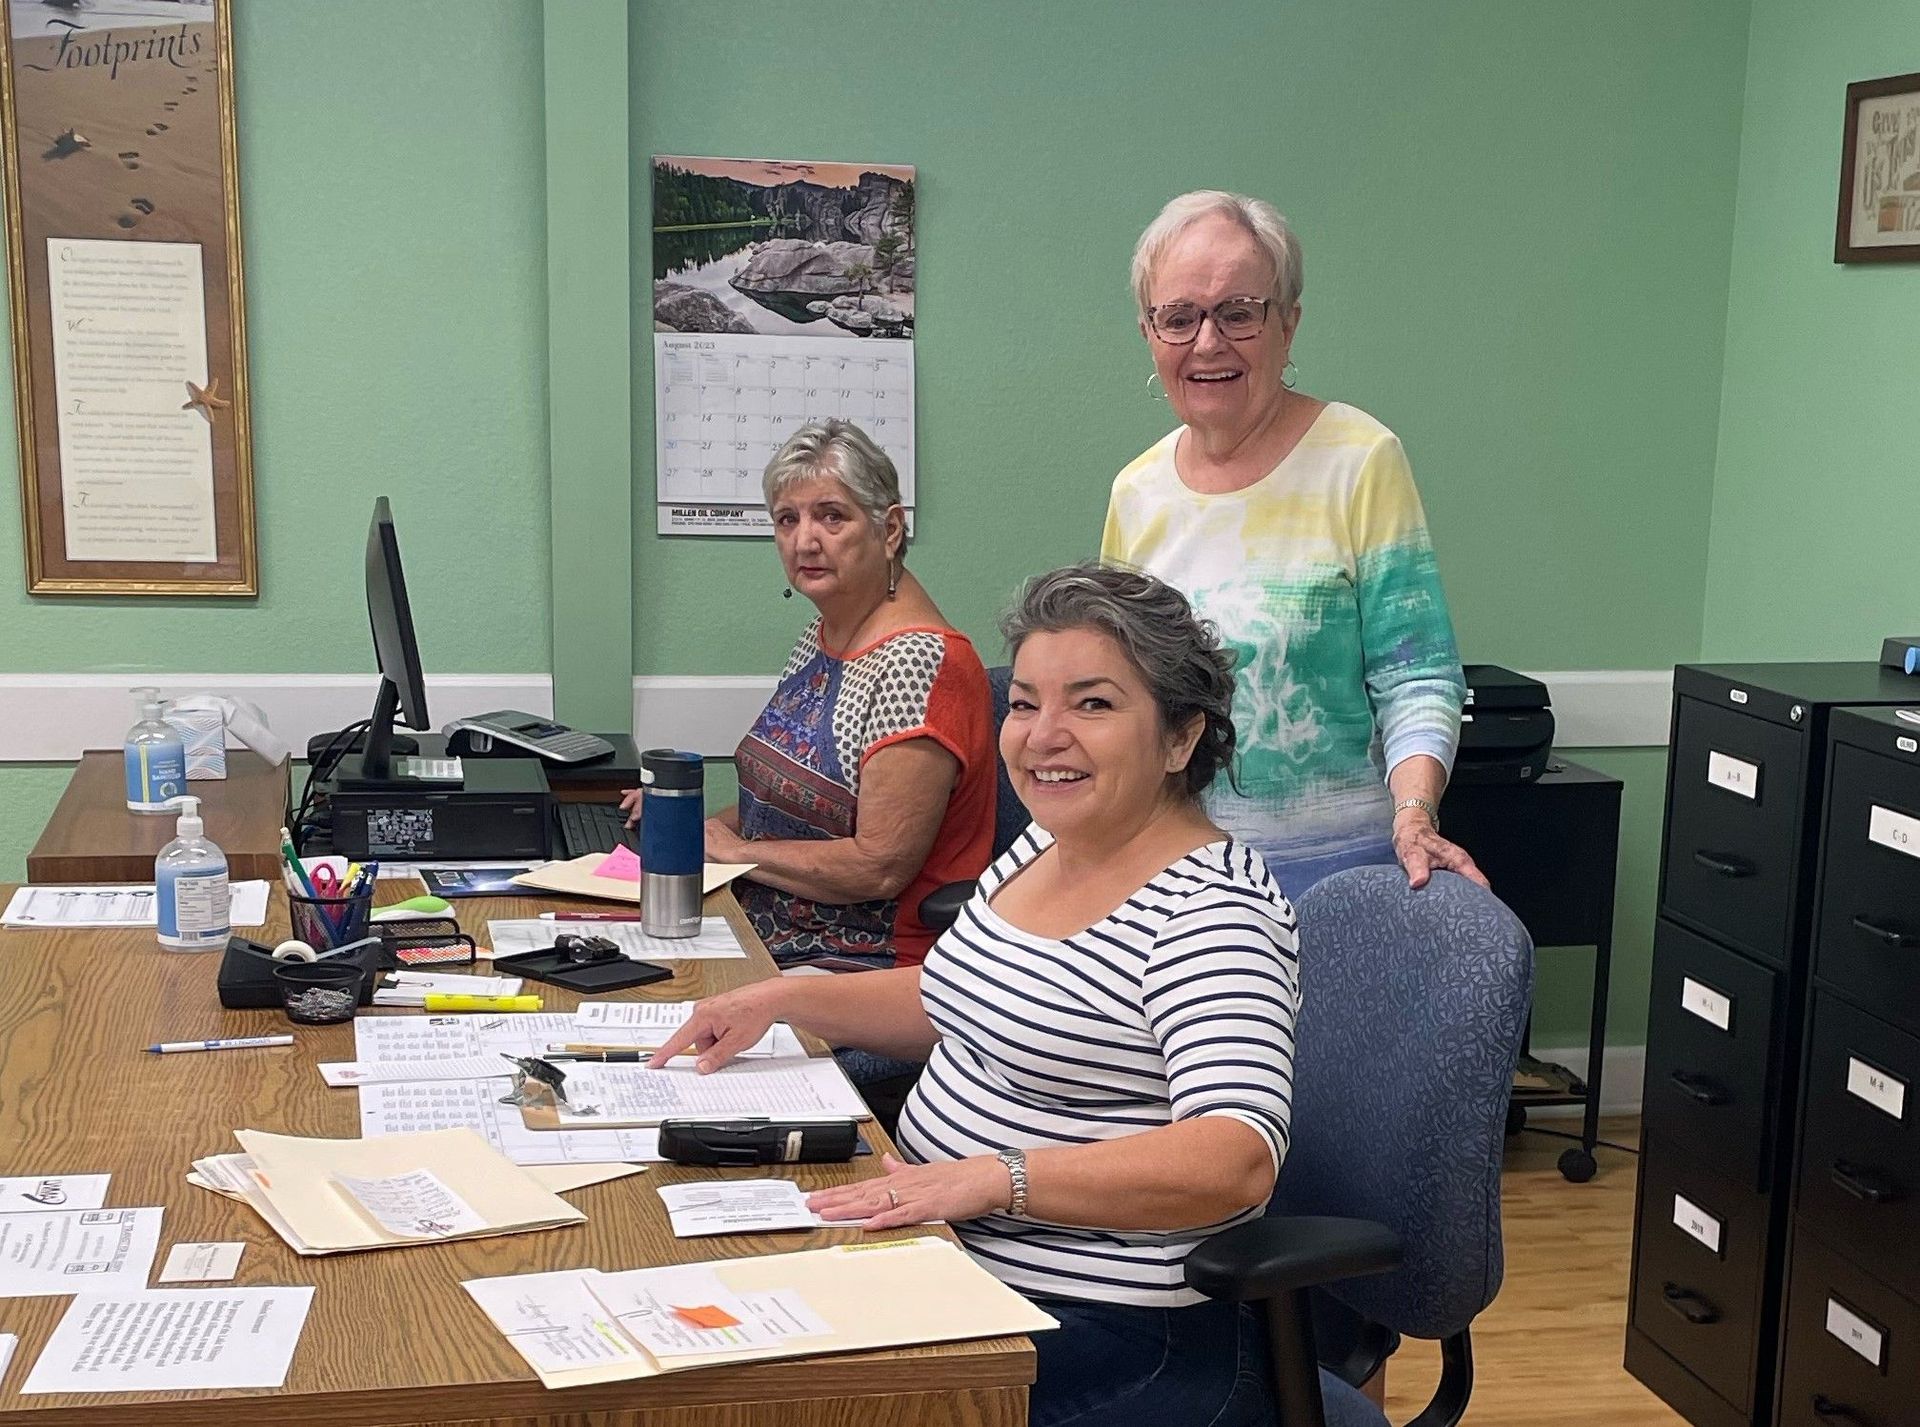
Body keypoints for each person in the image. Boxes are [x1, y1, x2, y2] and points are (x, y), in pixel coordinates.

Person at [653, 563, 1298, 1427]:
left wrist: (993, 1180)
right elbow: (961, 997)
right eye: (1026, 702)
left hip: (1113, 1330)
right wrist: (781, 998)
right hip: (950, 1259)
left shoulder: (1211, 912)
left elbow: (1234, 1157)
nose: (1043, 735)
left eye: (1094, 704)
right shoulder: (1047, 842)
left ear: (1181, 738)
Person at [1102, 189, 1486, 898]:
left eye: (1239, 313)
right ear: (1150, 335)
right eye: (1179, 318)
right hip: (1173, 887)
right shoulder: (1137, 492)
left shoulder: (1360, 459)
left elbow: (1419, 676)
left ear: (1288, 325)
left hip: (1332, 885)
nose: (1207, 342)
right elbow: (1121, 699)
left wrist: (1415, 811)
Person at [621, 419, 995, 972]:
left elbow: (878, 867)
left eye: (832, 516)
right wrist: (695, 822)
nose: (805, 540)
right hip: (771, 928)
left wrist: (738, 853)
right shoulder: (825, 633)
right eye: (787, 520)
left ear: (889, 530)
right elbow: (789, 814)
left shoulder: (919, 661)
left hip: (868, 960)